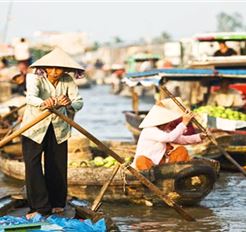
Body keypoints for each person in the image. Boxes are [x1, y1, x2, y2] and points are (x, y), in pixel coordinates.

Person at [20, 47, 84, 219]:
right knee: (33, 166)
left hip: (58, 128)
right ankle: (39, 207)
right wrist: (45, 102)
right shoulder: (34, 78)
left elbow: (78, 101)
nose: (55, 72)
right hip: (34, 128)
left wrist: (69, 103)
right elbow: (31, 98)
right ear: (45, 68)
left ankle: (57, 203)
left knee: (56, 165)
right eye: (52, 68)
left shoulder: (67, 80)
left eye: (59, 68)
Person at [131, 98, 205, 171]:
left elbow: (182, 139)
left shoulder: (165, 130)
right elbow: (169, 138)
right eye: (167, 123)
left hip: (160, 165)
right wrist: (184, 123)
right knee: (141, 160)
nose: (169, 124)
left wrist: (199, 136)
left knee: (181, 150)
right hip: (147, 165)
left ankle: (176, 174)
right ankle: (152, 177)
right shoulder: (149, 130)